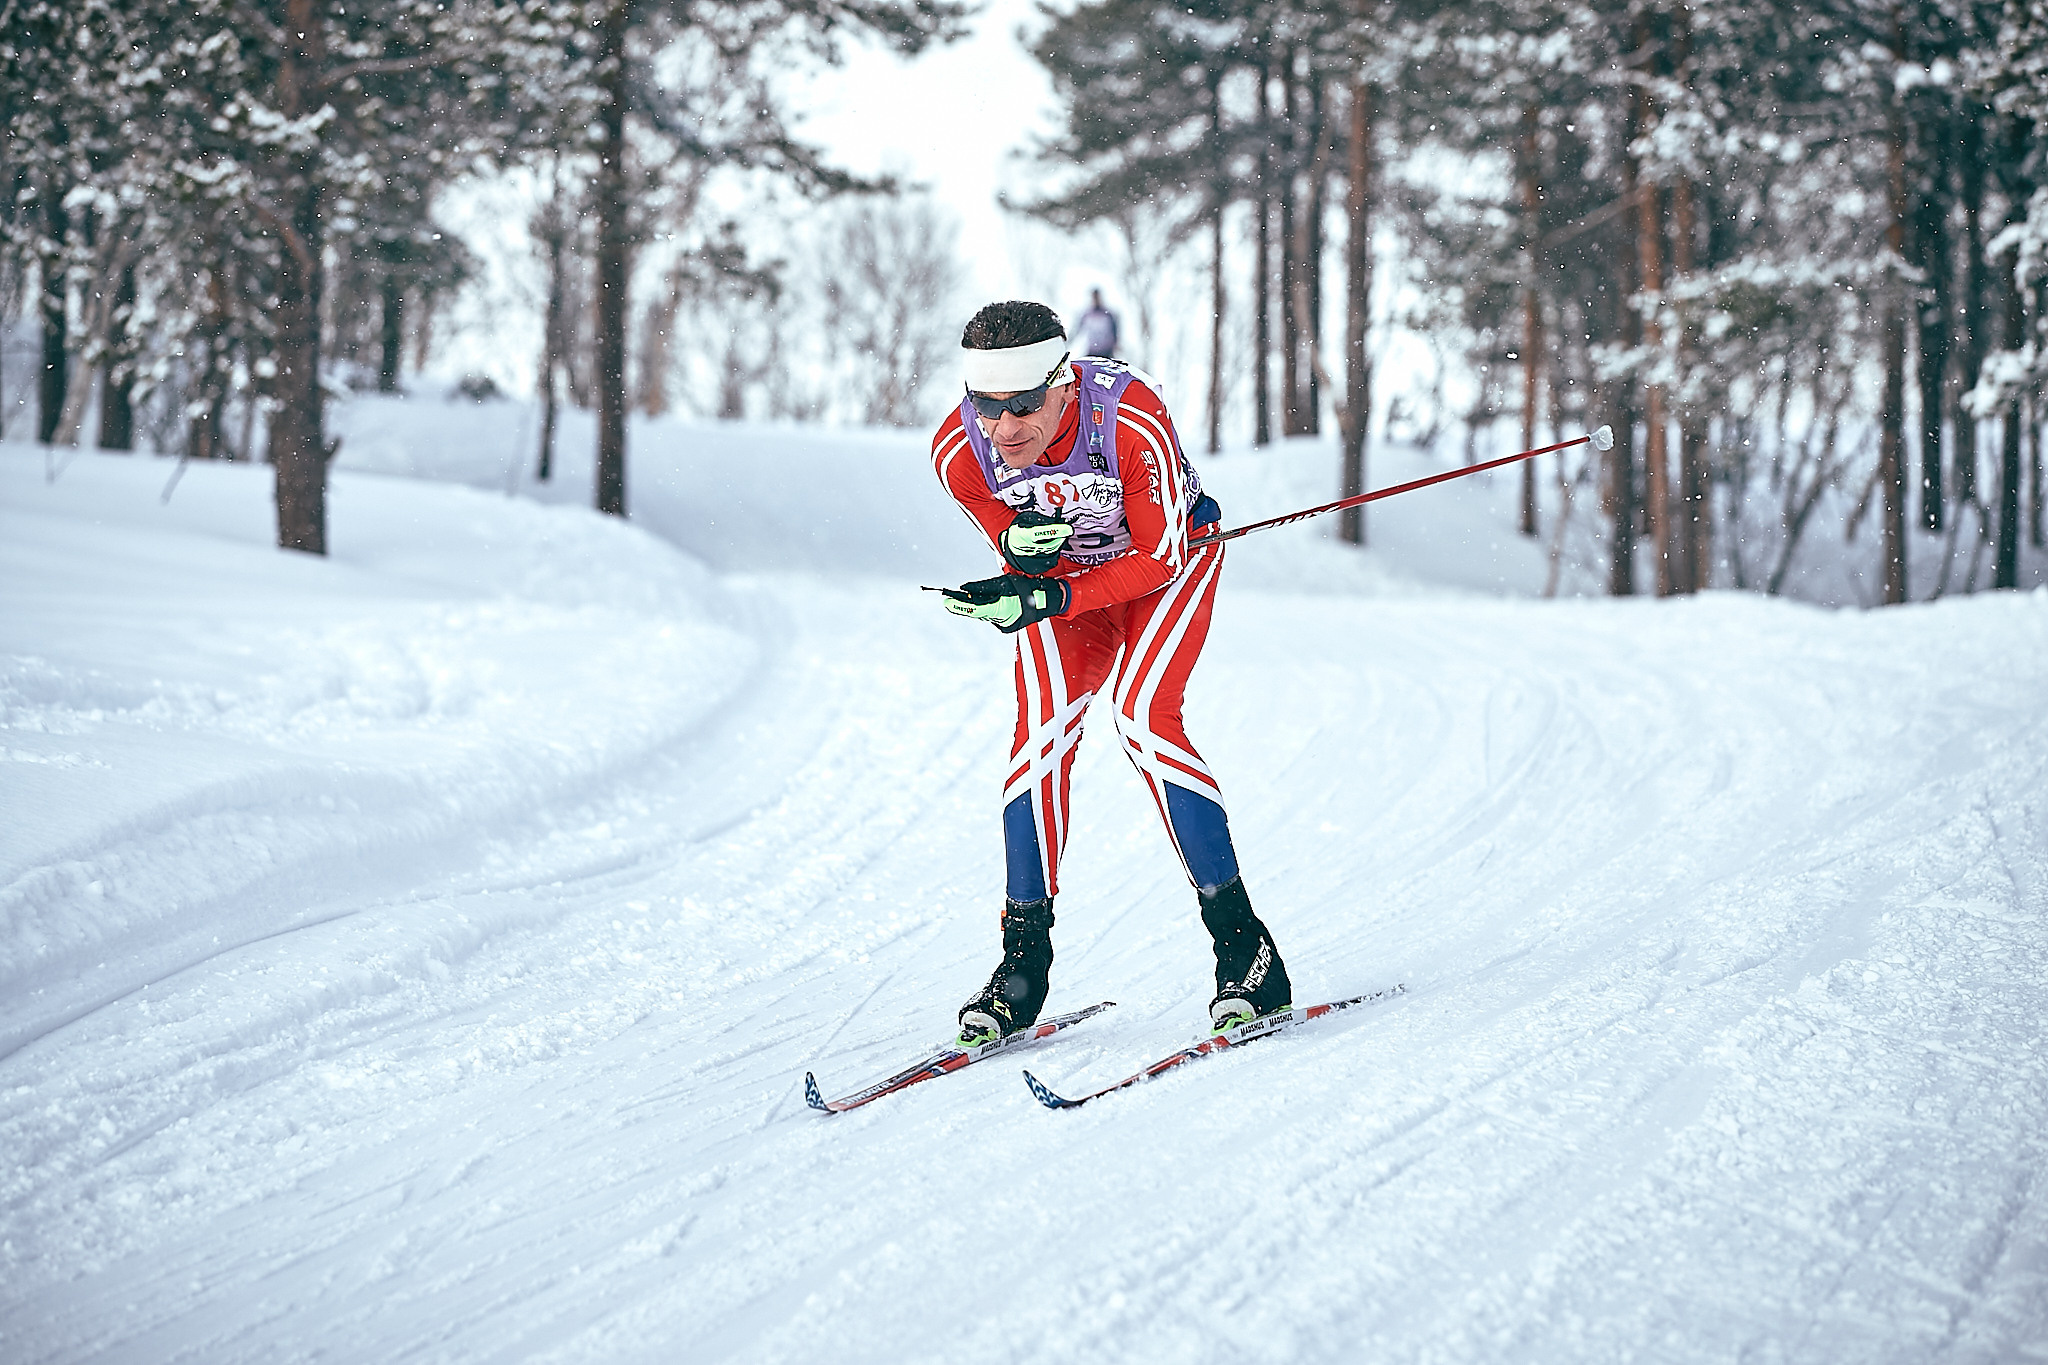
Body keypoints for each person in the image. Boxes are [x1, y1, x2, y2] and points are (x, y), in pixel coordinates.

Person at [929, 299, 1292, 1046]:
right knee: (1039, 741)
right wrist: (1021, 557)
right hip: (1068, 587)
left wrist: (1050, 589)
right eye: (987, 405)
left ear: (1063, 381)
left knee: (1141, 716)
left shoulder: (1129, 419)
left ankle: (1246, 950)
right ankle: (1021, 964)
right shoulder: (957, 452)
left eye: (1024, 403)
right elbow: (1009, 540)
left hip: (1169, 569)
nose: (1005, 427)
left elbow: (1157, 556)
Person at [1074, 288, 1119, 358]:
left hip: (1106, 351)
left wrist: (1115, 343)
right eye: (1094, 297)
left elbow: (1115, 330)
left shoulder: (1108, 314)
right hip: (1092, 350)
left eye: (1097, 297)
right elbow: (1077, 330)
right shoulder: (1087, 314)